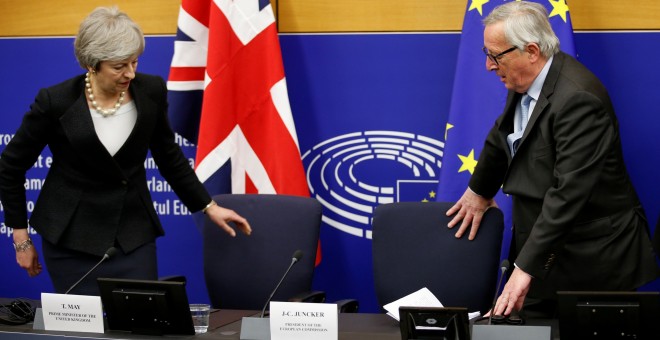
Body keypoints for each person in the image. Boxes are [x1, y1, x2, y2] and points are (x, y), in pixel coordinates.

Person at [0, 7, 251, 295]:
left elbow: (170, 158)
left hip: (132, 236)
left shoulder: (151, 90)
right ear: (92, 64)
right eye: (119, 66)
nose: (130, 73)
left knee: (140, 326)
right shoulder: (55, 101)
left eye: (134, 62)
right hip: (71, 239)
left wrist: (209, 206)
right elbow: (10, 167)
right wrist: (21, 238)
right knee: (83, 333)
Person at [445, 2, 658, 319]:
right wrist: (479, 191)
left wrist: (524, 268)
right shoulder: (523, 77)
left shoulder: (578, 99)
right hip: (542, 249)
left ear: (531, 51)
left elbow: (568, 193)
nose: (489, 66)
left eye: (496, 56)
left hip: (593, 261)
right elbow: (504, 133)